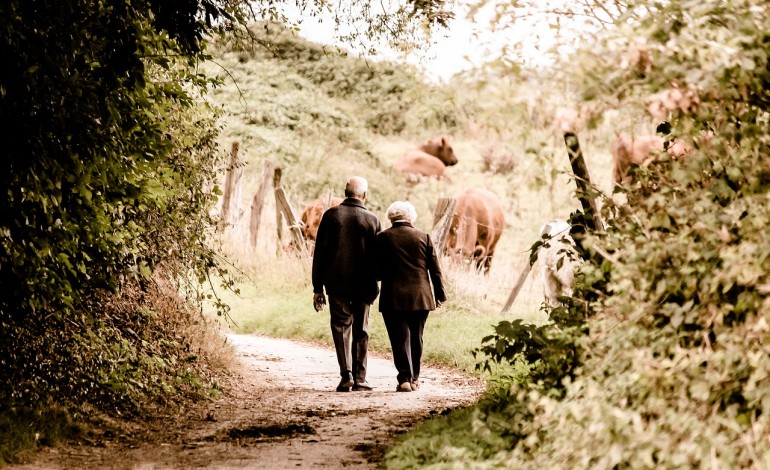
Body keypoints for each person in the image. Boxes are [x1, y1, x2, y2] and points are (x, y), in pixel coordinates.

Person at [312, 176, 382, 392]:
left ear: (345, 192)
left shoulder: (331, 216)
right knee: (361, 329)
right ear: (364, 195)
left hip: (337, 283)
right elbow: (379, 257)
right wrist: (377, 279)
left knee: (341, 327)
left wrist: (317, 288)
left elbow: (320, 254)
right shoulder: (373, 220)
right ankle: (361, 378)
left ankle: (346, 375)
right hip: (365, 284)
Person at [375, 201, 446, 392]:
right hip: (421, 296)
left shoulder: (382, 238)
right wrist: (439, 295)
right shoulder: (424, 237)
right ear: (411, 217)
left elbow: (376, 272)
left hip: (393, 297)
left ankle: (404, 379)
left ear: (391, 217)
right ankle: (415, 378)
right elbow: (435, 271)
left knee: (399, 338)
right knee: (417, 336)